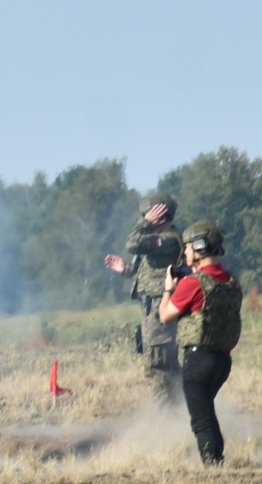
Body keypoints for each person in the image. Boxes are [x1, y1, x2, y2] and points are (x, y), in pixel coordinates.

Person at [158, 219, 242, 465]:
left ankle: (213, 464)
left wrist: (168, 290)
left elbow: (165, 316)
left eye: (188, 246)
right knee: (206, 411)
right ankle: (215, 460)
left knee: (201, 419)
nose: (184, 252)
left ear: (201, 247)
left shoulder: (192, 283)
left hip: (198, 360)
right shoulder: (230, 280)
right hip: (222, 360)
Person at [104, 192, 184, 406]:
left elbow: (132, 244)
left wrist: (145, 223)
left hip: (161, 309)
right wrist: (126, 270)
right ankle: (175, 411)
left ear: (160, 215)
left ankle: (167, 414)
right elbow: (153, 275)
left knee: (159, 365)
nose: (145, 217)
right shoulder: (160, 240)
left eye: (149, 213)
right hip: (153, 308)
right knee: (157, 362)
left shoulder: (167, 239)